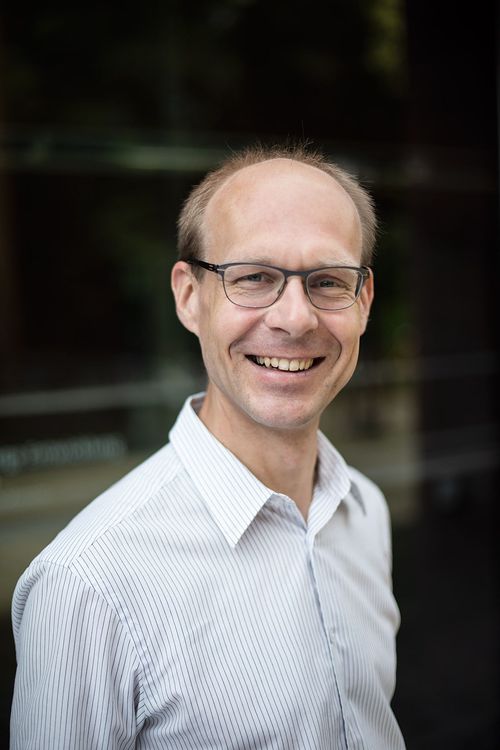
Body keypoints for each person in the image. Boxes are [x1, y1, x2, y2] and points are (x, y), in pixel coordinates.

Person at [10, 144, 405, 749]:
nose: (296, 319)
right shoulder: (87, 585)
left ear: (364, 301)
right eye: (253, 278)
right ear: (189, 297)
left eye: (328, 281)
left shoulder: (365, 511)